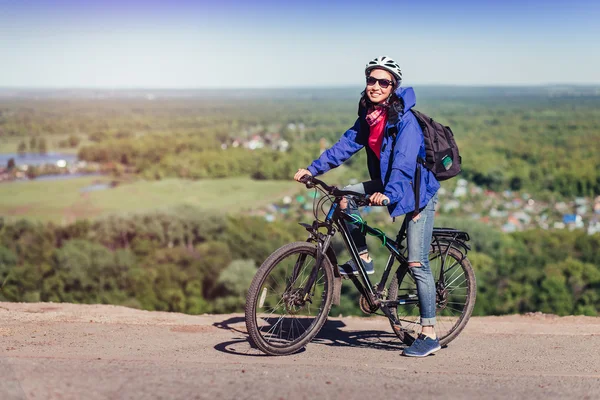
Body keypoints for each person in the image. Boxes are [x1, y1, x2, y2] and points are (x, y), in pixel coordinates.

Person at [293, 56, 441, 357]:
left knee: (416, 263)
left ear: (393, 87)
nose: (375, 86)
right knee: (343, 199)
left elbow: (402, 164)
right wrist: (313, 170)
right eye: (371, 80)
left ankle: (429, 333)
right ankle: (364, 258)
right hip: (387, 184)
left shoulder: (406, 122)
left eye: (383, 82)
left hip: (415, 192)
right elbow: (344, 146)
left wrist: (389, 194)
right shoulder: (371, 117)